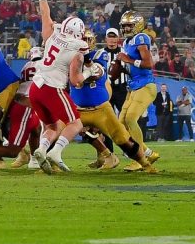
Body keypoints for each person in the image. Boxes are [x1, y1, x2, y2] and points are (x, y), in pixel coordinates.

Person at [64, 27, 155, 173]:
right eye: (81, 40)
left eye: (87, 40)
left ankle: (145, 158)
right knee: (83, 131)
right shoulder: (71, 57)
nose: (83, 43)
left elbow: (96, 73)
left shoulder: (103, 54)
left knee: (121, 128)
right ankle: (106, 155)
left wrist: (82, 72)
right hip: (83, 103)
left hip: (110, 94)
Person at [24, 0, 90, 173]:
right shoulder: (79, 47)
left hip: (35, 87)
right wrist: (88, 72)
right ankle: (56, 152)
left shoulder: (52, 35)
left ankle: (42, 150)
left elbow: (45, 14)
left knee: (52, 126)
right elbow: (76, 80)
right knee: (76, 123)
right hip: (53, 88)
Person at [117, 9, 162, 147]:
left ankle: (140, 155)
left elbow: (148, 64)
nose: (125, 28)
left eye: (129, 25)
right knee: (121, 123)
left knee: (130, 119)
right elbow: (132, 67)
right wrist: (121, 67)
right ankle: (146, 153)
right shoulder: (126, 42)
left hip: (146, 84)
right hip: (134, 85)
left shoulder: (141, 38)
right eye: (124, 25)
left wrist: (128, 60)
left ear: (137, 25)